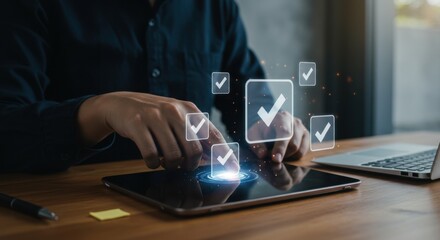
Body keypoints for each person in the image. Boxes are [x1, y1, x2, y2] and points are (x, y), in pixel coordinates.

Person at [0, 0, 309, 173]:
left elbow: (249, 102)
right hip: (76, 214)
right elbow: (7, 127)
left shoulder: (217, 7)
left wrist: (271, 126)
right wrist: (101, 111)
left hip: (198, 214)